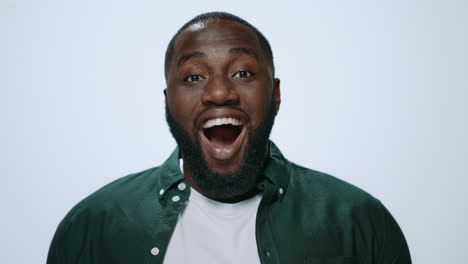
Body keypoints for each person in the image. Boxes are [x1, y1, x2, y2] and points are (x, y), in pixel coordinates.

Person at [47, 12, 411, 264]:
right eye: (193, 77)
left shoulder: (358, 222)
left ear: (276, 93)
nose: (220, 92)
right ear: (167, 100)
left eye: (242, 72)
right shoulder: (93, 227)